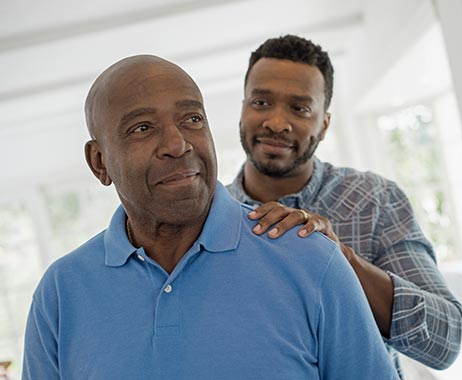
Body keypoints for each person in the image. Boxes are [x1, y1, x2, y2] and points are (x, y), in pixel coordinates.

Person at [22, 55, 399, 380]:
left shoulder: (313, 261)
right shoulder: (60, 294)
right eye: (142, 128)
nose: (177, 144)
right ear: (99, 162)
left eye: (192, 119)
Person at [227, 35, 462, 377]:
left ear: (323, 124)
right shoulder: (208, 220)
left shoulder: (374, 199)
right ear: (244, 109)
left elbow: (444, 341)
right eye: (261, 102)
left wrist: (340, 259)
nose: (277, 122)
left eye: (300, 108)